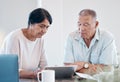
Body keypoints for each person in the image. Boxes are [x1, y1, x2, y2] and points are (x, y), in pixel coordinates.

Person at [0, 8, 52, 79]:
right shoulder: (14, 38)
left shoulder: (40, 40)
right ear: (31, 23)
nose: (44, 31)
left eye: (47, 27)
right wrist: (34, 74)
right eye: (41, 26)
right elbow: (12, 70)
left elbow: (44, 66)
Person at [64, 9, 118, 75]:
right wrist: (88, 66)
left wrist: (81, 66)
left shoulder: (107, 38)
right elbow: (67, 67)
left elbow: (106, 68)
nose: (81, 28)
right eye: (79, 24)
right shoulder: (71, 37)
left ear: (96, 24)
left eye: (86, 24)